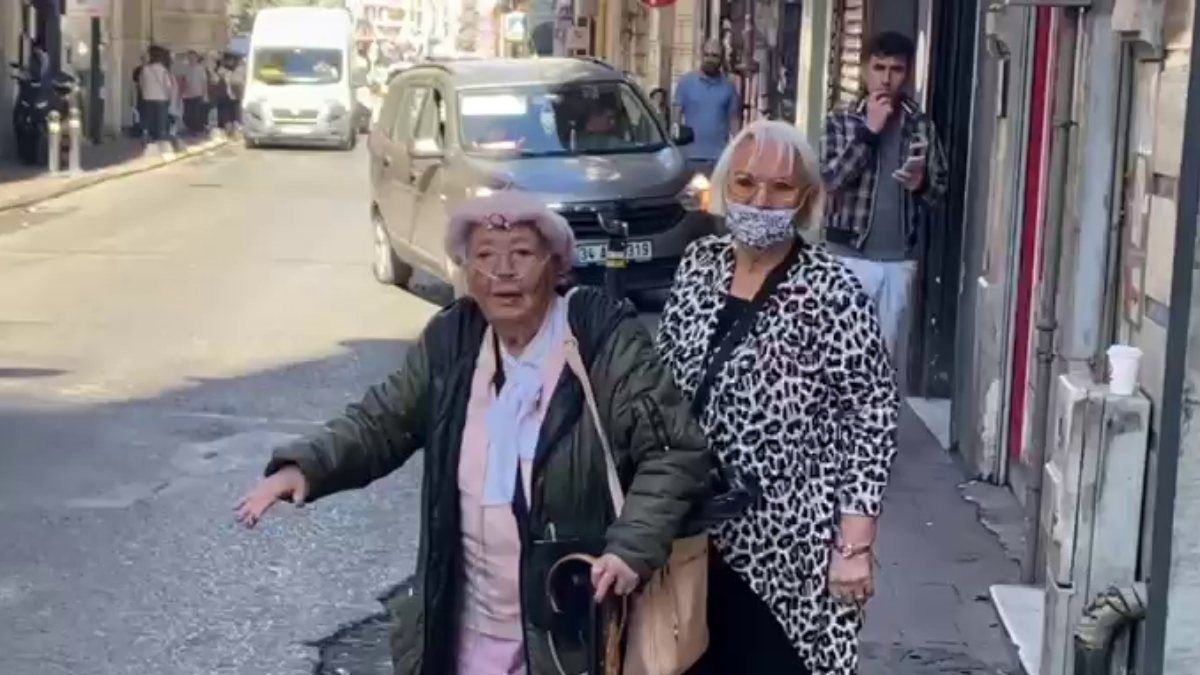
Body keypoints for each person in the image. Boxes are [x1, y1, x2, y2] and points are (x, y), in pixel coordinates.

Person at [234, 191, 711, 675]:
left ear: (555, 266)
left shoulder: (600, 339)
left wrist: (630, 548)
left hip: (574, 629)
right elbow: (383, 420)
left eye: (522, 253)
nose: (503, 271)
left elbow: (673, 452)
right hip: (468, 628)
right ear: (466, 272)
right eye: (485, 255)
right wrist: (307, 466)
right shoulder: (454, 341)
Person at [657, 120, 900, 674]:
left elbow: (873, 414)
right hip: (689, 534)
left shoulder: (832, 290)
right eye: (745, 183)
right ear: (725, 185)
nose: (760, 200)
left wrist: (855, 545)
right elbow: (662, 381)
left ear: (807, 199)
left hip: (790, 549)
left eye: (781, 187)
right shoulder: (698, 265)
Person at [821, 31, 948, 367]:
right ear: (865, 69)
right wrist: (869, 132)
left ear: (907, 74)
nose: (886, 79)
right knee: (840, 354)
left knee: (883, 360)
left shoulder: (919, 123)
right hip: (848, 255)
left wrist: (921, 184)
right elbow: (830, 180)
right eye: (879, 68)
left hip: (897, 259)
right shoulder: (841, 120)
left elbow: (940, 189)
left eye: (896, 69)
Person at [673, 40, 740, 170]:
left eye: (715, 56)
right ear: (701, 55)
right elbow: (675, 119)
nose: (710, 59)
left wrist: (738, 149)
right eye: (707, 55)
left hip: (719, 159)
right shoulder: (686, 83)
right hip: (689, 158)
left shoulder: (728, 87)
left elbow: (734, 121)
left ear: (721, 59)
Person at [138, 46, 174, 145]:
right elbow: (168, 86)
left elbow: (141, 84)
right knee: (160, 123)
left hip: (147, 98)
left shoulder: (145, 69)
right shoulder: (163, 70)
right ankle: (159, 141)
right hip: (161, 99)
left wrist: (145, 93)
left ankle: (146, 137)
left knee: (148, 121)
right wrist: (169, 98)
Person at [180, 50, 209, 136]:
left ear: (196, 58)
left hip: (198, 94)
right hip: (187, 95)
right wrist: (182, 92)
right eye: (190, 57)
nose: (191, 59)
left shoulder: (200, 69)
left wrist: (205, 95)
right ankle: (190, 128)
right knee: (188, 113)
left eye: (193, 57)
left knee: (196, 113)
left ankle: (196, 129)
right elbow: (183, 81)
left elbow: (204, 82)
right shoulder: (185, 69)